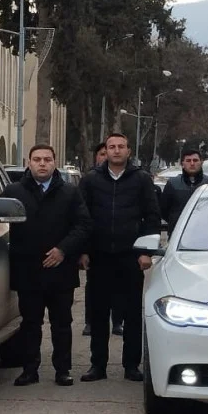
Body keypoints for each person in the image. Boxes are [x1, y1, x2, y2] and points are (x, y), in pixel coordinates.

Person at [0, 144, 92, 387]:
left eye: (47, 159)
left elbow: (83, 225)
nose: (42, 164)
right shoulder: (13, 191)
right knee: (30, 324)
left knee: (62, 323)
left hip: (60, 270)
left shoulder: (70, 192)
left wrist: (63, 249)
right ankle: (30, 370)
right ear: (29, 162)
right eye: (37, 159)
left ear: (54, 162)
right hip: (27, 270)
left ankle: (63, 370)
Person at [78, 132, 162, 382]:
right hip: (99, 256)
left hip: (130, 256)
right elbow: (81, 218)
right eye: (111, 147)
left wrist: (146, 251)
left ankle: (131, 366)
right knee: (99, 314)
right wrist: (82, 251)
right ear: (105, 151)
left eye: (121, 147)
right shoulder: (91, 180)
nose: (116, 151)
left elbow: (152, 216)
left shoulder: (141, 180)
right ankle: (98, 366)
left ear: (128, 151)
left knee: (133, 315)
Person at [82, 141, 124, 338]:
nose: (104, 157)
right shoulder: (89, 180)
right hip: (95, 247)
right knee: (94, 290)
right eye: (101, 154)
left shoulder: (130, 179)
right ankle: (91, 322)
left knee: (118, 288)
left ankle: (117, 321)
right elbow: (81, 216)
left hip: (122, 248)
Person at [160, 148, 208, 231]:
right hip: (177, 234)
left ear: (201, 162)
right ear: (182, 163)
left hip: (205, 233)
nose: (192, 163)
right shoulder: (173, 184)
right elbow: (164, 210)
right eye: (188, 161)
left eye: (195, 160)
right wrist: (176, 221)